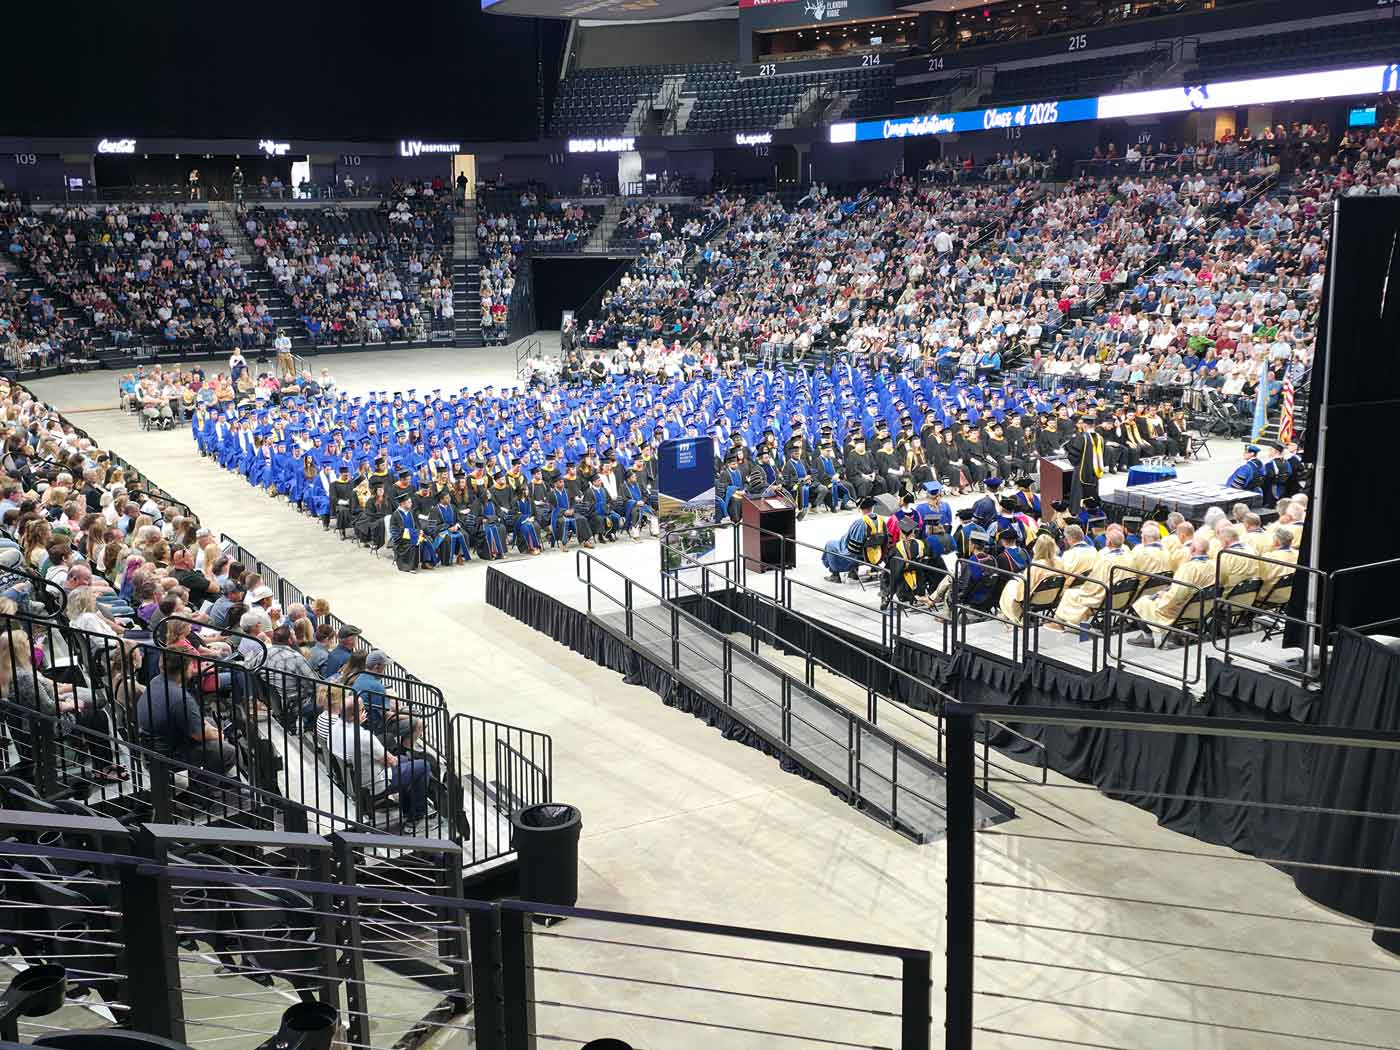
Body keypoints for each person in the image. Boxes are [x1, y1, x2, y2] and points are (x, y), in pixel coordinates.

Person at [318, 692, 431, 825]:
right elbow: (391, 761)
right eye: (362, 710)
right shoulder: (364, 736)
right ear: (356, 715)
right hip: (374, 784)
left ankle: (406, 807)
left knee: (405, 760)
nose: (364, 712)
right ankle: (416, 815)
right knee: (423, 766)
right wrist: (389, 760)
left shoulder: (334, 729)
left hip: (350, 781)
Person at [137, 649, 238, 774]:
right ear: (185, 669)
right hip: (167, 755)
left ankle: (202, 774)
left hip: (155, 744)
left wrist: (210, 730)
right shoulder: (181, 698)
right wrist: (217, 735)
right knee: (227, 752)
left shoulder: (156, 681)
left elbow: (194, 722)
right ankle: (201, 789)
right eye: (192, 664)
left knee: (209, 721)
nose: (193, 668)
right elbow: (199, 735)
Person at [1128, 536, 1217, 647]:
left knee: (1142, 602)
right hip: (1204, 608)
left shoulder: (1188, 568)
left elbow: (1176, 596)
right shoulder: (1214, 564)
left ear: (1193, 549)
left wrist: (1161, 597)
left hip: (1184, 610)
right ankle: (1172, 635)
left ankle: (1148, 638)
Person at [821, 498, 885, 583]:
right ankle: (853, 573)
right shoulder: (881, 520)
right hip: (875, 552)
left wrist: (843, 541)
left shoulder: (861, 522)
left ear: (861, 509)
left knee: (830, 545)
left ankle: (835, 575)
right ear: (872, 508)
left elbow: (853, 548)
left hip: (858, 555)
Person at [1062, 415, 1104, 512]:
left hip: (1081, 471)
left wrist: (1067, 450)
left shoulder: (1082, 438)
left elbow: (1074, 455)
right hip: (1094, 473)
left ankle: (1077, 511)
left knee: (1078, 493)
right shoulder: (1100, 438)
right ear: (1094, 425)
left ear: (1084, 425)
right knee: (1092, 493)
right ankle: (1092, 511)